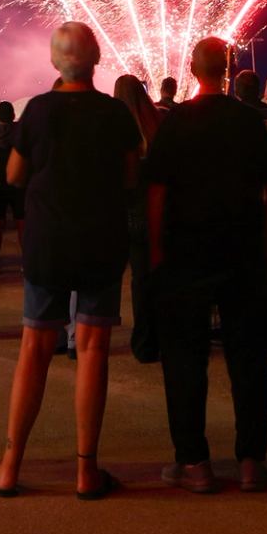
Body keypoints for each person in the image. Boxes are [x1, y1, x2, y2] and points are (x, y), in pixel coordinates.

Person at [0, 25, 140, 501]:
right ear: (95, 59)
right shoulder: (114, 113)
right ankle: (87, 472)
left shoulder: (37, 110)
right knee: (92, 349)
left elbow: (13, 174)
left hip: (48, 241)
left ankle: (10, 468)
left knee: (35, 348)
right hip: (101, 239)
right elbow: (131, 176)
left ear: (55, 64)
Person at [146, 37, 267, 493]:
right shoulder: (249, 121)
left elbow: (157, 193)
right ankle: (250, 462)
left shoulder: (175, 123)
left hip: (186, 254)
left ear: (192, 68)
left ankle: (194, 464)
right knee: (249, 358)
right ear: (230, 70)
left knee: (184, 358)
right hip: (243, 251)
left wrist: (155, 249)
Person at [114, 73, 163, 365]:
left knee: (140, 281)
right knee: (161, 277)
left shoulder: (118, 127)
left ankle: (144, 343)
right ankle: (164, 336)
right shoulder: (157, 122)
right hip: (160, 210)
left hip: (132, 214)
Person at [0, 100, 23, 272]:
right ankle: (26, 261)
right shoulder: (21, 134)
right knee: (23, 224)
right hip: (18, 184)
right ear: (14, 116)